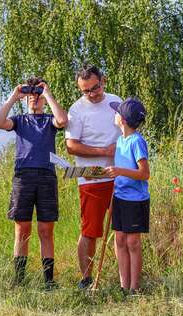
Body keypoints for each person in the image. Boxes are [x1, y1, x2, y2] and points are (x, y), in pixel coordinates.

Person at [0, 77, 67, 290]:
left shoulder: (49, 120)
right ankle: (20, 279)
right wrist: (14, 96)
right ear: (26, 99)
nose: (34, 99)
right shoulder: (20, 120)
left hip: (46, 176)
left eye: (38, 96)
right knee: (22, 228)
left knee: (46, 229)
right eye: (31, 96)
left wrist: (48, 94)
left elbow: (62, 120)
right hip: (23, 177)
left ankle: (48, 280)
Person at [65, 64, 122, 289]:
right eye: (85, 90)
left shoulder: (116, 101)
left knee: (122, 229)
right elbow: (71, 146)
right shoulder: (76, 110)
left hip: (120, 174)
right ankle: (86, 279)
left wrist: (122, 148)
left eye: (94, 88)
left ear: (103, 81)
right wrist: (104, 152)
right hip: (91, 175)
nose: (91, 94)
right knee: (90, 231)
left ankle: (124, 279)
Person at [104, 98, 150, 294]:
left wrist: (120, 171)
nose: (113, 115)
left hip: (136, 199)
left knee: (133, 242)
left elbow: (144, 173)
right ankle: (124, 286)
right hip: (119, 197)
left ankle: (134, 288)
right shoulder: (120, 141)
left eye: (116, 113)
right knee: (120, 240)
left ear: (122, 120)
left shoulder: (137, 141)